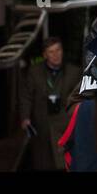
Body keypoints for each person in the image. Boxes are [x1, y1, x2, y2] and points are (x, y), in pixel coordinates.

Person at [18, 37, 81, 171]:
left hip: (65, 123)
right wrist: (25, 117)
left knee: (65, 161)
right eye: (51, 52)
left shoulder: (74, 72)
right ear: (45, 55)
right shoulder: (34, 72)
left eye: (58, 50)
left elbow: (80, 97)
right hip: (42, 123)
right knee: (43, 161)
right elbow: (26, 96)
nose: (56, 55)